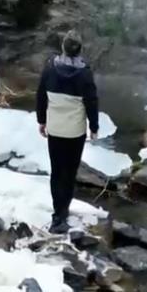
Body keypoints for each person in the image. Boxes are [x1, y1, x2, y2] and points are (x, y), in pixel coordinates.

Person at [36, 29, 99, 234]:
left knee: (56, 171)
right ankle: (63, 212)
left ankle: (57, 215)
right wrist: (94, 127)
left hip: (55, 128)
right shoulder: (85, 74)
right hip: (75, 132)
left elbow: (40, 96)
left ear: (63, 47)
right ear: (80, 50)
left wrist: (41, 121)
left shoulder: (50, 68)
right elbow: (91, 103)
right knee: (69, 174)